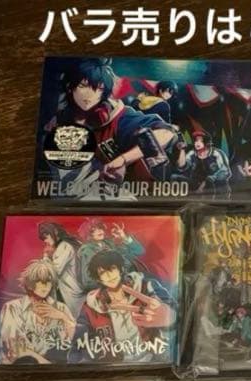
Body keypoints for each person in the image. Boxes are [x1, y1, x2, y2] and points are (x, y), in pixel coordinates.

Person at [44, 58, 180, 189]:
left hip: (131, 191)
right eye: (83, 86)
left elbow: (166, 133)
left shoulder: (119, 117)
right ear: (70, 87)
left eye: (99, 89)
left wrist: (123, 159)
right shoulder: (60, 120)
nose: (90, 95)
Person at [70, 250, 174, 364]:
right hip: (114, 367)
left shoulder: (146, 287)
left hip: (152, 361)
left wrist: (170, 316)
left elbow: (176, 312)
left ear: (121, 269)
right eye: (103, 272)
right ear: (99, 279)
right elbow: (77, 346)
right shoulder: (93, 305)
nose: (109, 275)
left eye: (112, 268)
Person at [0, 260, 75, 365]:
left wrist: (63, 317)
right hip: (21, 368)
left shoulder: (61, 308)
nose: (46, 285)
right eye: (41, 281)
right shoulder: (13, 308)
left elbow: (75, 342)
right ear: (30, 284)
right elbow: (16, 349)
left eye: (49, 281)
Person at [76, 219, 145, 292]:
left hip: (129, 280)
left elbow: (139, 251)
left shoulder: (109, 244)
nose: (99, 231)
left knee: (150, 282)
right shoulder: (86, 251)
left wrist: (124, 237)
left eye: (100, 227)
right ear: (87, 234)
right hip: (110, 288)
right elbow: (88, 281)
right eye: (93, 231)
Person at [37, 221, 83, 316]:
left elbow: (53, 272)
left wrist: (46, 256)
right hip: (75, 289)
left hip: (69, 290)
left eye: (46, 237)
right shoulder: (71, 243)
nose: (45, 241)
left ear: (55, 232)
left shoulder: (64, 246)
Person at [182, 131, 232, 197]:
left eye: (201, 141)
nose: (197, 143)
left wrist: (209, 179)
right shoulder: (191, 154)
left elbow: (226, 171)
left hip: (217, 188)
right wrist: (181, 150)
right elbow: (183, 168)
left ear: (207, 142)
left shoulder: (217, 153)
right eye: (196, 140)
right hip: (197, 187)